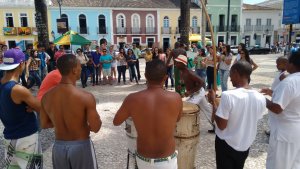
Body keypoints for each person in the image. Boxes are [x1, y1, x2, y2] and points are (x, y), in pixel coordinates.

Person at [113, 59, 182, 169]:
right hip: (168, 160)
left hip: (144, 160)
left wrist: (135, 112)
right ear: (165, 78)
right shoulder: (176, 98)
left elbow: (116, 121)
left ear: (145, 76)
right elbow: (177, 119)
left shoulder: (132, 99)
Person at [40, 54, 102, 169]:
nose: (81, 68)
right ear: (74, 70)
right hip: (81, 146)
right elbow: (96, 127)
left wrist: (60, 122)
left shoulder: (46, 96)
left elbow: (43, 124)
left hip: (58, 147)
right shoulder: (85, 97)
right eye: (80, 66)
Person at [208, 61, 266, 169]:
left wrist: (213, 102)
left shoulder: (228, 96)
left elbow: (221, 125)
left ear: (235, 72)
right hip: (245, 144)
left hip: (226, 144)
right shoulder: (261, 97)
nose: (230, 78)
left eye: (231, 74)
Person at [0, 48, 42, 169]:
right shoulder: (18, 89)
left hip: (9, 137)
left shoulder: (2, 85)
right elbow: (40, 107)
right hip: (26, 139)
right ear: (21, 64)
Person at [264, 51, 300, 169]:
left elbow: (277, 108)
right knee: (294, 164)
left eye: (288, 62)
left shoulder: (289, 82)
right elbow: (292, 100)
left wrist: (261, 99)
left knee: (278, 165)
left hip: (284, 133)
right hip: (295, 131)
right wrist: (272, 93)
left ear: (293, 64)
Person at [175, 55, 214, 132]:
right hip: (196, 93)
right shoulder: (182, 72)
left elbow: (202, 82)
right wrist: (181, 85)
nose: (175, 64)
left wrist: (190, 92)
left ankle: (184, 129)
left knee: (186, 107)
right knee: (207, 110)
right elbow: (187, 82)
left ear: (183, 63)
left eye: (177, 63)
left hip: (198, 93)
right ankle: (216, 126)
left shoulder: (189, 72)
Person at [260, 57, 288, 136]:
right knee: (272, 116)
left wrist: (272, 93)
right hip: (275, 96)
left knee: (276, 115)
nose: (276, 65)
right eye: (276, 64)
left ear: (286, 64)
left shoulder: (284, 75)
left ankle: (274, 131)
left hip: (278, 98)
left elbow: (282, 90)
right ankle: (272, 129)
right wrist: (270, 91)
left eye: (278, 64)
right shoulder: (281, 73)